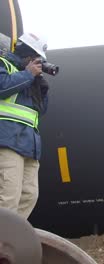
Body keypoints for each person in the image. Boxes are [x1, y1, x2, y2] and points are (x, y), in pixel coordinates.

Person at [0, 32, 49, 219]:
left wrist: (41, 89)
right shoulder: (3, 64)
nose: (37, 61)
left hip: (29, 146)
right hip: (8, 141)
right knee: (8, 197)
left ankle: (10, 240)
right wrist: (27, 74)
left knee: (29, 196)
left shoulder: (29, 78)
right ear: (26, 52)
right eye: (35, 57)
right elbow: (2, 87)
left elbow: (40, 111)